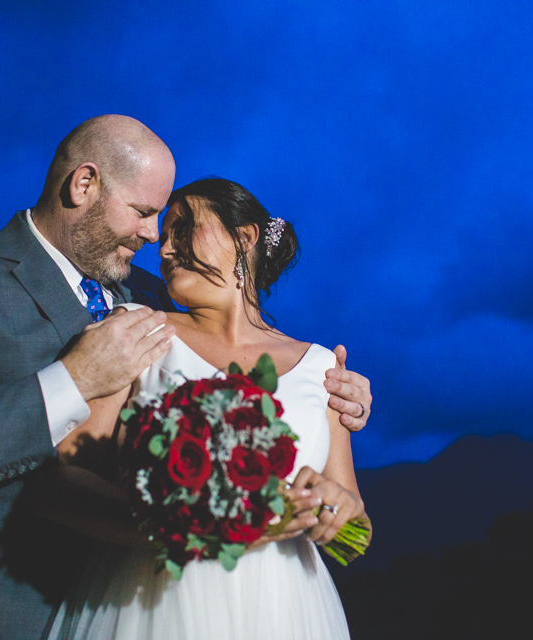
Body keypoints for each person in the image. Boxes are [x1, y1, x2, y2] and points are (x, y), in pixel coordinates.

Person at [0, 116, 373, 639]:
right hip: (10, 611)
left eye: (169, 222)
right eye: (144, 212)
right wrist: (73, 378)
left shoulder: (156, 297)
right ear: (83, 185)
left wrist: (329, 401)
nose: (155, 238)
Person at [44, 178, 369, 640]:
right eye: (163, 236)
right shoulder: (136, 331)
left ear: (246, 237)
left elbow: (352, 527)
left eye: (183, 229)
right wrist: (169, 523)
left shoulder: (321, 366)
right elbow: (61, 480)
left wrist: (336, 509)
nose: (164, 250)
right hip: (151, 602)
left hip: (284, 612)